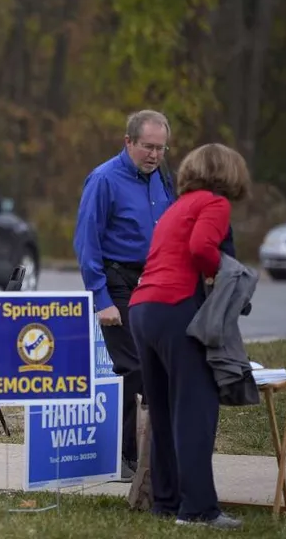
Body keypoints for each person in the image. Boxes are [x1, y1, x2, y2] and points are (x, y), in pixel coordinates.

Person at [127, 144, 250, 530]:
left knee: (162, 410)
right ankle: (198, 510)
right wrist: (219, 274)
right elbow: (201, 249)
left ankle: (167, 501)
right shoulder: (214, 203)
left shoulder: (174, 207)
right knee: (195, 410)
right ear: (228, 173)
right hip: (177, 307)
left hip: (142, 308)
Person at [72, 109, 175, 480]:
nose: (154, 155)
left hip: (156, 282)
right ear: (127, 142)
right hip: (117, 282)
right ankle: (125, 456)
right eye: (147, 146)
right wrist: (102, 300)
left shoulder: (162, 177)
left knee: (159, 367)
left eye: (161, 148)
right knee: (133, 368)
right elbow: (86, 242)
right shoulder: (103, 179)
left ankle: (152, 453)